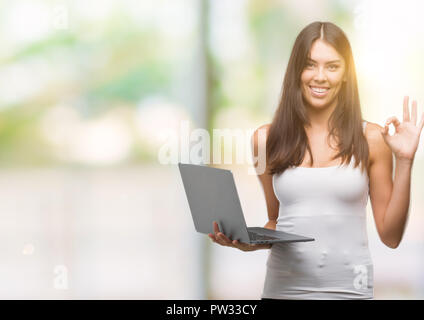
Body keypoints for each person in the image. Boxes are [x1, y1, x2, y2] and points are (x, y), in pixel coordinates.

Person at [208, 21, 424, 299]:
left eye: (332, 66)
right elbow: (276, 222)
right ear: (297, 70)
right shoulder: (263, 140)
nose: (320, 76)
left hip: (349, 291)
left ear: (346, 74)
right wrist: (248, 241)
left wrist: (405, 160)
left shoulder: (372, 138)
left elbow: (391, 237)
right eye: (310, 64)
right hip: (283, 289)